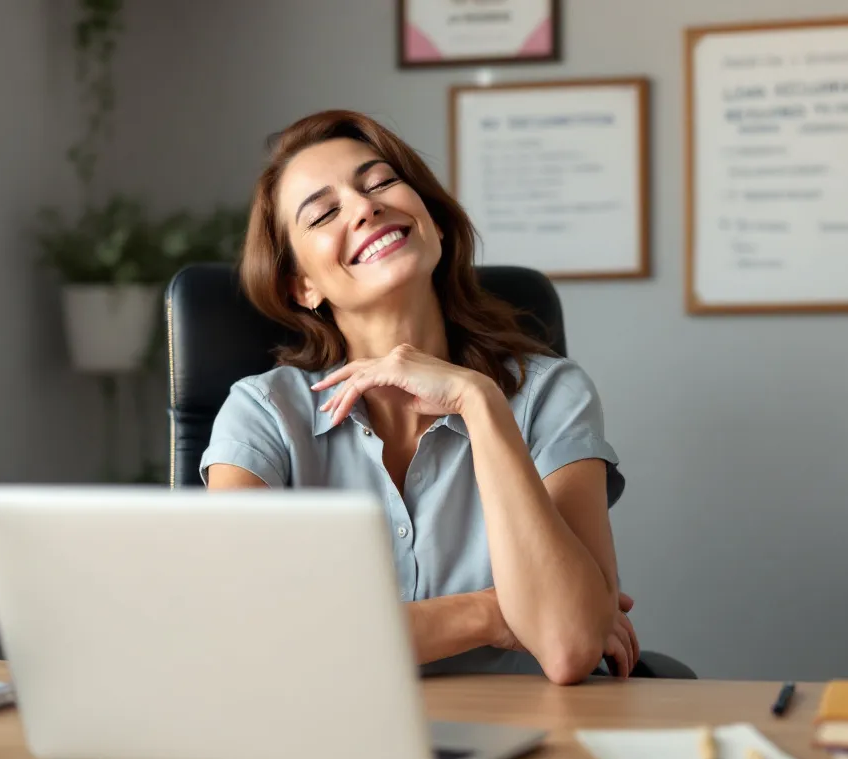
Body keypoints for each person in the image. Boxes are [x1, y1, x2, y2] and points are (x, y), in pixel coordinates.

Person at [200, 109, 637, 685]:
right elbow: (243, 635)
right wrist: (491, 612)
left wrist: (479, 403)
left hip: (528, 736)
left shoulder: (551, 392)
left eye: (380, 183)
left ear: (429, 217)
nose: (364, 208)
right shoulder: (263, 414)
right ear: (300, 285)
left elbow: (568, 644)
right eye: (325, 212)